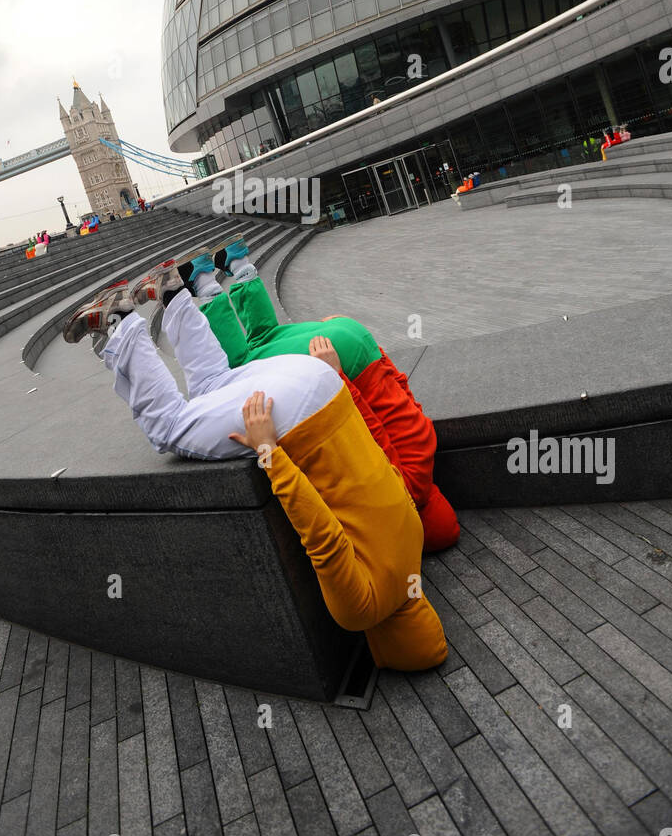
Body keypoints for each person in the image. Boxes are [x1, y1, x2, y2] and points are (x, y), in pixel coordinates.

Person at [63, 268, 447, 674]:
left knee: (216, 381)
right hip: (295, 416)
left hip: (321, 383)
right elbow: (322, 536)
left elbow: (381, 450)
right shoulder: (364, 610)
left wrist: (337, 378)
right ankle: (120, 323)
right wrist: (269, 451)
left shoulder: (414, 543)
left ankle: (174, 295)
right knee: (169, 427)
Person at [135, 239, 459, 552]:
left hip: (361, 346)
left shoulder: (425, 451)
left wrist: (350, 330)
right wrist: (338, 374)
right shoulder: (407, 492)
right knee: (242, 364)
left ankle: (238, 261)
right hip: (343, 361)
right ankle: (203, 280)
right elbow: (372, 433)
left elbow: (399, 386)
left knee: (267, 336)